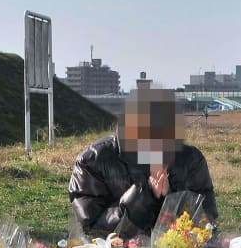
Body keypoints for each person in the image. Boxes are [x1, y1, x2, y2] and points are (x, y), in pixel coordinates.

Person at [69, 88, 216, 238]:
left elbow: (207, 221)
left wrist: (170, 198)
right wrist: (144, 196)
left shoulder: (190, 159)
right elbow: (93, 228)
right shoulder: (93, 160)